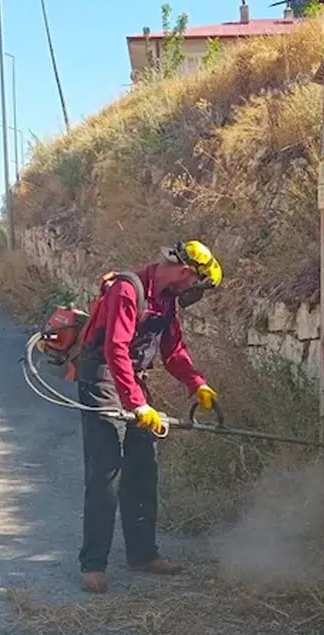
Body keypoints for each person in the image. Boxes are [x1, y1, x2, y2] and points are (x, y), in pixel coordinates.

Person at [76, 240, 223, 594]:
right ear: (185, 271)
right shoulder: (129, 290)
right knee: (106, 472)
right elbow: (115, 349)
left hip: (131, 380)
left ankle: (143, 555)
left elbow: (173, 349)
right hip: (101, 378)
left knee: (144, 467)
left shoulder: (166, 300)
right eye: (195, 282)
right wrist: (137, 405)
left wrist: (197, 384)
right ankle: (93, 564)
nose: (192, 290)